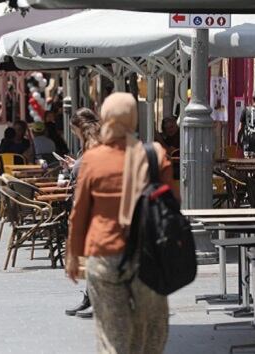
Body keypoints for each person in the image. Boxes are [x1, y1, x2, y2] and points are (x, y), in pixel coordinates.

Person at [68, 93, 173, 353]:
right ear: (134, 119)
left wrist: (72, 255)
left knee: (111, 334)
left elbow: (79, 212)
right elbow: (172, 205)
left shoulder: (92, 159)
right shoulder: (155, 155)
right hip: (146, 256)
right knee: (151, 332)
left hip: (104, 255)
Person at [62, 108, 101, 319]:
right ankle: (91, 297)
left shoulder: (95, 143)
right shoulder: (94, 142)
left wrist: (74, 167)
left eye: (75, 131)